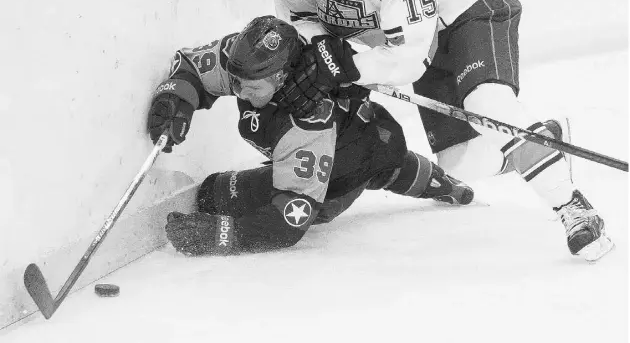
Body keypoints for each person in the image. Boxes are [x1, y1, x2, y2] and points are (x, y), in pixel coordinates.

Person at [271, 0, 614, 262]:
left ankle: (573, 208)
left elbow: (407, 61)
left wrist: (345, 68)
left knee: (488, 107)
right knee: (464, 162)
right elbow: (299, 16)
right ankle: (542, 139)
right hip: (420, 37)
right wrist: (323, 49)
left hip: (469, 11)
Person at [147, 15, 473, 256]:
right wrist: (174, 99)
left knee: (213, 196)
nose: (240, 92)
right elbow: (192, 66)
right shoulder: (244, 60)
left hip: (340, 170)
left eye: (252, 87)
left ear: (280, 78)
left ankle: (400, 171)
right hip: (361, 129)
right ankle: (403, 170)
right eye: (235, 82)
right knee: (378, 153)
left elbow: (288, 224)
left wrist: (218, 234)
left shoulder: (308, 126)